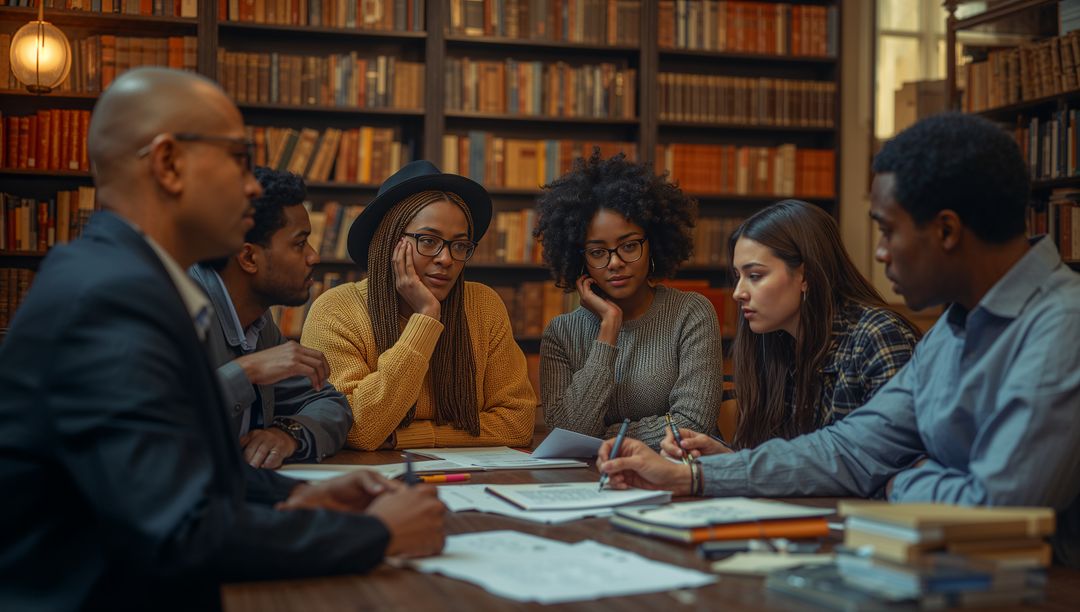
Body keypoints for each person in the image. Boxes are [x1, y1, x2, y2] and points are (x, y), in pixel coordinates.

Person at [0, 68, 445, 611]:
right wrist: (376, 536)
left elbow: (171, 471)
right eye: (238, 158)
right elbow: (178, 532)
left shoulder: (127, 281)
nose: (254, 185)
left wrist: (301, 495)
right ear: (168, 164)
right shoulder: (108, 299)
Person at [597, 112, 1080, 567]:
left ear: (947, 230)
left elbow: (995, 509)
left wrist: (896, 483)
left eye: (888, 231)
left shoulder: (1063, 327)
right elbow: (848, 451)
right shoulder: (953, 329)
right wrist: (692, 476)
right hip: (945, 569)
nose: (880, 251)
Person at [301, 160, 536, 450]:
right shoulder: (335, 311)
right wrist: (426, 317)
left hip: (470, 483)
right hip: (373, 482)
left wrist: (407, 437)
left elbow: (517, 424)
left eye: (459, 245)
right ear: (390, 242)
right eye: (428, 240)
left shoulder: (483, 306)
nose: (446, 259)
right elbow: (358, 428)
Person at [660, 199, 919, 459]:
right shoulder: (776, 344)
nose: (738, 293)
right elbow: (793, 465)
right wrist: (727, 458)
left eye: (755, 276)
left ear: (805, 276)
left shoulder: (879, 336)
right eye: (737, 276)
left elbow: (881, 462)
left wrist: (733, 468)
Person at [533, 151, 723, 448]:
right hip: (590, 481)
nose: (615, 262)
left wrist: (603, 438)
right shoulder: (561, 333)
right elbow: (568, 434)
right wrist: (609, 328)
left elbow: (693, 423)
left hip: (678, 473)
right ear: (579, 259)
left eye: (629, 246)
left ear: (653, 245)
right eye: (598, 252)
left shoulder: (691, 313)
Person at [190, 167, 351, 469]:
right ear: (249, 257)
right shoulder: (175, 308)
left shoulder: (259, 324)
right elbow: (157, 427)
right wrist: (245, 371)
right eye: (300, 243)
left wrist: (287, 434)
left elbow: (331, 405)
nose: (314, 256)